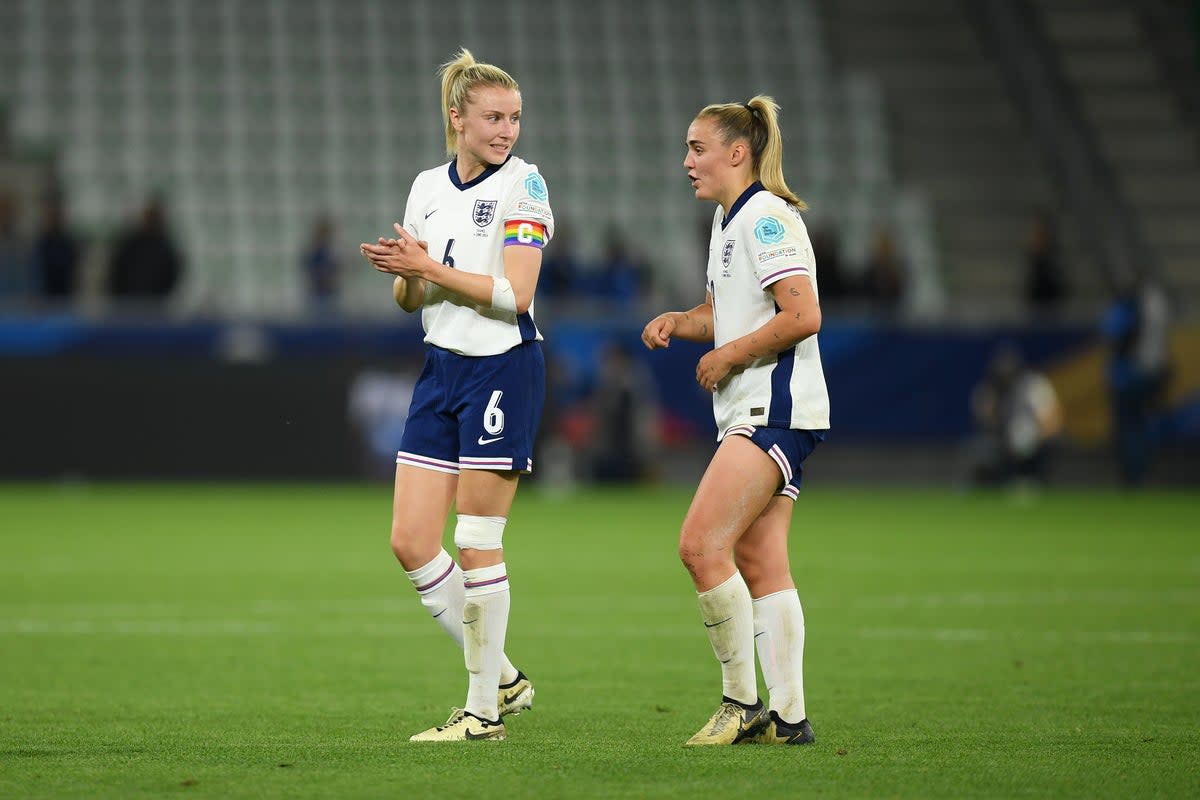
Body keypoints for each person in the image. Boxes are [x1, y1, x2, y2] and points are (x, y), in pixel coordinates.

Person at [359, 48, 553, 742]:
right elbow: (413, 297)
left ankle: (481, 713)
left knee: (475, 539)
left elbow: (515, 295)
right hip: (441, 367)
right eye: (494, 117)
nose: (507, 130)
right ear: (458, 119)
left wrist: (426, 269)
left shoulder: (525, 189)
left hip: (502, 366)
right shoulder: (426, 188)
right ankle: (501, 672)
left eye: (515, 117)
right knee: (410, 541)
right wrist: (405, 273)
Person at [642, 95, 829, 746]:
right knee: (758, 555)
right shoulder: (729, 222)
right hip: (756, 409)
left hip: (773, 409)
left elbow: (802, 315)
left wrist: (727, 353)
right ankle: (790, 719)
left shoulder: (767, 218)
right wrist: (683, 322)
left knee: (700, 545)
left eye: (697, 148)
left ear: (736, 153)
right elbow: (730, 314)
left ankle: (741, 702)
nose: (686, 161)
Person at [1103, 275, 1171, 485]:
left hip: (1127, 377)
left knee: (1128, 428)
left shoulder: (1127, 311)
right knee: (1140, 426)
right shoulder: (1154, 307)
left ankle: (1132, 475)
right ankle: (1140, 472)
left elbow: (1114, 337)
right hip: (1148, 374)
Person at [968, 345, 1063, 487]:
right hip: (1003, 440)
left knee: (1023, 439)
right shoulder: (991, 390)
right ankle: (1000, 480)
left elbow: (1052, 420)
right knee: (984, 449)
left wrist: (1035, 436)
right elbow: (986, 420)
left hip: (1035, 439)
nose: (1005, 379)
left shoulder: (1032, 385)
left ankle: (1031, 477)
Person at [106, 194, 183, 304]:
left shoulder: (165, 247)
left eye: (154, 216)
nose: (151, 219)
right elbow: (117, 270)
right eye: (149, 215)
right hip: (128, 302)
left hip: (155, 304)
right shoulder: (131, 243)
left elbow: (171, 274)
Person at [300, 213, 342, 313]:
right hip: (317, 295)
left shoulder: (331, 251)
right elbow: (310, 271)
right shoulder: (314, 251)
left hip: (330, 295)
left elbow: (336, 271)